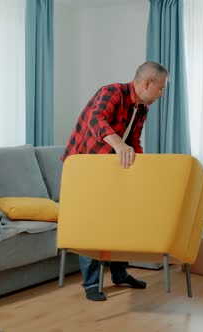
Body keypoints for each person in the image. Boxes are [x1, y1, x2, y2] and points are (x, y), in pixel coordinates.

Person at [61, 61, 169, 301]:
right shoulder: (112, 92)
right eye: (161, 88)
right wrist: (119, 145)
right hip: (85, 167)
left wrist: (142, 168)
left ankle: (120, 274)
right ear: (147, 83)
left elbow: (135, 140)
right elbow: (96, 120)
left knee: (122, 219)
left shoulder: (142, 109)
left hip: (110, 169)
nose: (162, 94)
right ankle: (90, 283)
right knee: (91, 223)